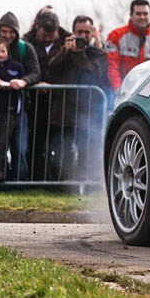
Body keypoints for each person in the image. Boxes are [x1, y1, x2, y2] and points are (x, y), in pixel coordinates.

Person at [47, 15, 109, 180]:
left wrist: (79, 54)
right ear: (73, 32)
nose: (83, 36)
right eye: (79, 32)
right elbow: (51, 69)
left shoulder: (99, 54)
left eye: (86, 32)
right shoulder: (66, 50)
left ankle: (84, 183)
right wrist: (65, 52)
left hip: (87, 112)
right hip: (64, 112)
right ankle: (63, 184)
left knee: (86, 152)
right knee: (63, 152)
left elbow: (94, 74)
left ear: (92, 33)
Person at [24, 11, 72, 180]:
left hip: (59, 101)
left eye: (51, 35)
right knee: (35, 141)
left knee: (57, 142)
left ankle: (56, 179)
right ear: (37, 27)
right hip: (34, 99)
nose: (47, 39)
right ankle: (35, 177)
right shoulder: (27, 42)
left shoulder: (67, 41)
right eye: (44, 35)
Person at [0, 12, 41, 181]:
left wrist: (24, 81)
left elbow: (36, 72)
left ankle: (19, 182)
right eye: (4, 31)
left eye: (11, 32)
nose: (7, 35)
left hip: (18, 108)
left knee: (20, 147)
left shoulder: (25, 48)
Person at [106, 0, 150, 93]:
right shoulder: (115, 36)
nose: (142, 17)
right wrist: (118, 89)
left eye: (145, 14)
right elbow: (112, 66)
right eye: (138, 14)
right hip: (123, 90)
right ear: (131, 15)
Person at [0, 37, 25, 183]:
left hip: (9, 110)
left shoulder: (17, 67)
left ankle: (1, 172)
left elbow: (25, 81)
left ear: (8, 51)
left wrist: (16, 83)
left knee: (2, 143)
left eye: (2, 51)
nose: (0, 55)